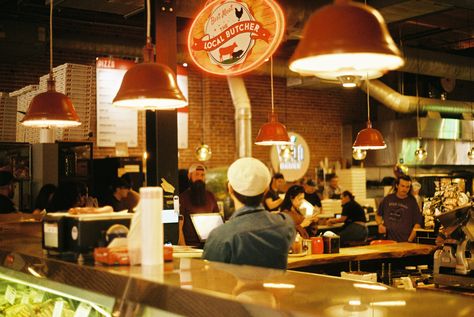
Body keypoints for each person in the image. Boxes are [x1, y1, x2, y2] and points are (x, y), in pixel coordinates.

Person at [203, 157, 295, 269]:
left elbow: (211, 277)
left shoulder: (220, 236)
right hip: (274, 286)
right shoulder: (285, 224)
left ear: (230, 189)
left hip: (235, 287)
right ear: (266, 190)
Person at [179, 163, 219, 246]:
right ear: (189, 176)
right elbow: (179, 228)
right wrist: (184, 248)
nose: (200, 178)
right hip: (190, 246)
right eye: (196, 175)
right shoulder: (182, 198)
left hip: (209, 244)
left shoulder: (211, 196)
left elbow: (217, 223)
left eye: (202, 175)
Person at [376, 175, 423, 242]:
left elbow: (417, 224)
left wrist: (409, 240)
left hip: (404, 241)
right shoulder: (388, 199)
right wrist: (380, 224)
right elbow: (378, 215)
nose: (405, 189)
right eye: (402, 186)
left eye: (407, 187)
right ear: (397, 185)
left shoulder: (412, 202)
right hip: (388, 241)